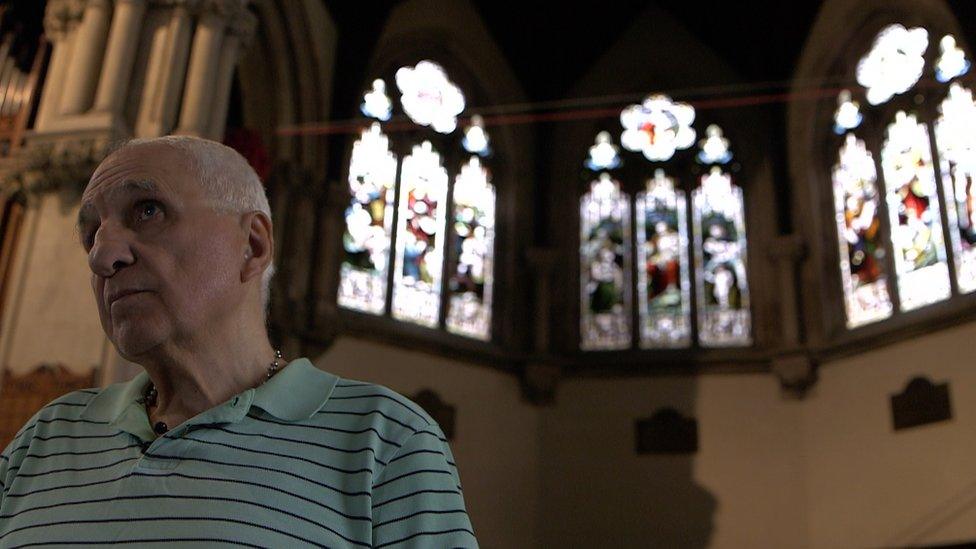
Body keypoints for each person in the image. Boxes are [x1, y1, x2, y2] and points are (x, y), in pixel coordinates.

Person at [0, 135, 477, 547]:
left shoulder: (385, 442)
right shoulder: (43, 439)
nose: (103, 255)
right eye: (91, 234)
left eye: (147, 211)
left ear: (252, 246)